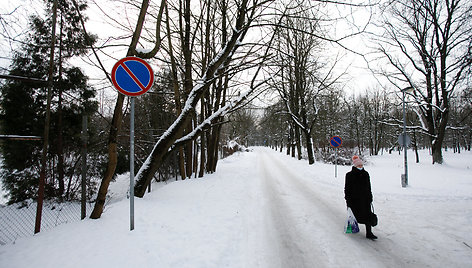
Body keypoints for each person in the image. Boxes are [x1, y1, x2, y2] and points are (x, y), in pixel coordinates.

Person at [344, 155, 377, 240]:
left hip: (365, 199)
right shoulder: (349, 175)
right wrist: (348, 199)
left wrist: (370, 197)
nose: (360, 167)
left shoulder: (365, 174)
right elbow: (347, 188)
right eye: (359, 166)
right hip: (354, 200)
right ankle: (352, 228)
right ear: (355, 166)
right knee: (354, 215)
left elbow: (369, 187)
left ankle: (369, 233)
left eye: (361, 165)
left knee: (368, 215)